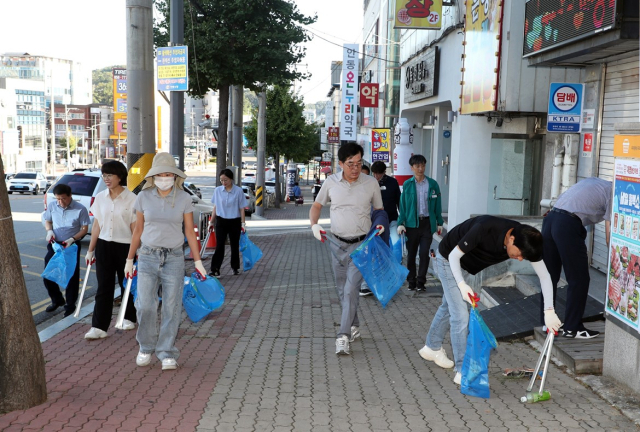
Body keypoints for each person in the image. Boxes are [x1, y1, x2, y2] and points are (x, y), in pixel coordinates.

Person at [419, 216, 561, 384]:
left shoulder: (528, 241)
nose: (520, 259)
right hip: (447, 259)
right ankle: (463, 371)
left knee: (449, 305)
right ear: (511, 239)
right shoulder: (484, 229)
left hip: (464, 266)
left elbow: (545, 277)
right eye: (520, 254)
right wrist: (462, 285)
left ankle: (431, 347)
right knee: (460, 316)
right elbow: (454, 257)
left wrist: (549, 310)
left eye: (524, 257)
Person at [125, 152, 207, 371]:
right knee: (145, 306)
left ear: (174, 175)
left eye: (168, 174)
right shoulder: (143, 196)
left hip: (174, 257)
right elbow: (138, 230)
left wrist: (197, 261)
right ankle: (146, 347)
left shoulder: (184, 198)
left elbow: (189, 231)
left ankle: (166, 351)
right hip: (148, 256)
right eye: (160, 174)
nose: (164, 177)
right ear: (153, 175)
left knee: (171, 307)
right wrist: (130, 258)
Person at [310, 142, 384, 355]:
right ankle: (354, 324)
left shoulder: (370, 183)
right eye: (350, 164)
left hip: (362, 245)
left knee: (352, 289)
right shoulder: (331, 183)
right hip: (336, 244)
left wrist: (380, 224)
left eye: (359, 164)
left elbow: (379, 210)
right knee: (343, 289)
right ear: (340, 163)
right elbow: (316, 206)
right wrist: (314, 225)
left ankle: (343, 336)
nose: (355, 168)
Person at [541, 177, 612, 339]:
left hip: (550, 219)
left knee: (549, 276)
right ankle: (573, 328)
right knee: (579, 279)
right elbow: (610, 234)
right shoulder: (613, 193)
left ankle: (547, 323)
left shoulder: (594, 182)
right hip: (567, 224)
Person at [83, 161, 137, 339]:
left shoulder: (132, 199)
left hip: (125, 246)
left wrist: (134, 255)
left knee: (126, 284)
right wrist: (91, 250)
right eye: (104, 175)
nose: (106, 179)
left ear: (119, 177)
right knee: (103, 286)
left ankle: (128, 317)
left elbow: (135, 228)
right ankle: (99, 326)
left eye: (109, 175)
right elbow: (97, 225)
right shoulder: (100, 197)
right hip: (104, 246)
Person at [397, 154, 444, 291]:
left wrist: (439, 222)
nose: (421, 168)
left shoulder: (433, 184)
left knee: (424, 253)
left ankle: (421, 282)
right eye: (417, 166)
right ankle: (411, 281)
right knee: (411, 255)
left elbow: (437, 204)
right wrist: (401, 222)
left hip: (427, 224)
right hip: (412, 224)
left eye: (423, 165)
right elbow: (403, 205)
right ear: (412, 168)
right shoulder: (408, 184)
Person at [43, 184, 91, 317]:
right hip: (55, 244)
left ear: (70, 196)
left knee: (71, 276)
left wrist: (72, 239)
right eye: (58, 199)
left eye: (63, 198)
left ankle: (70, 305)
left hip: (71, 245)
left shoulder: (80, 209)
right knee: (48, 272)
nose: (60, 202)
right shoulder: (53, 206)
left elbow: (84, 229)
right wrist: (49, 231)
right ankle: (57, 299)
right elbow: (48, 221)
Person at [208, 169, 248, 277]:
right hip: (221, 220)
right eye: (221, 180)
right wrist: (211, 222)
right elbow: (215, 206)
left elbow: (242, 209)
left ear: (231, 179)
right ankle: (215, 269)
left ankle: (235, 267)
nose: (223, 182)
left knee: (234, 245)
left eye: (225, 180)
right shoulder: (217, 190)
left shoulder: (238, 191)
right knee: (220, 245)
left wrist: (243, 224)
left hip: (234, 221)